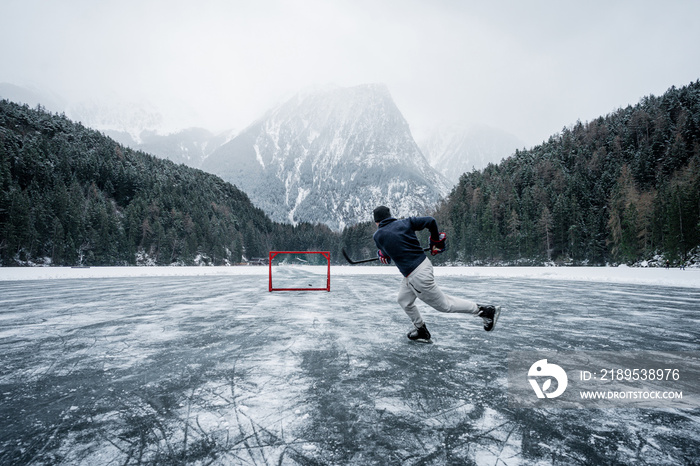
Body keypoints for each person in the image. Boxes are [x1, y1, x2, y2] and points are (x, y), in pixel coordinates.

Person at [372, 205, 501, 342]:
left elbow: (386, 256)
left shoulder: (378, 235)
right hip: (420, 267)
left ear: (377, 222)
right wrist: (435, 241)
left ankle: (484, 311)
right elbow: (430, 221)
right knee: (404, 300)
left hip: (417, 275)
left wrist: (381, 255)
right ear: (390, 216)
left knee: (445, 305)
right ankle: (421, 330)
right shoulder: (406, 222)